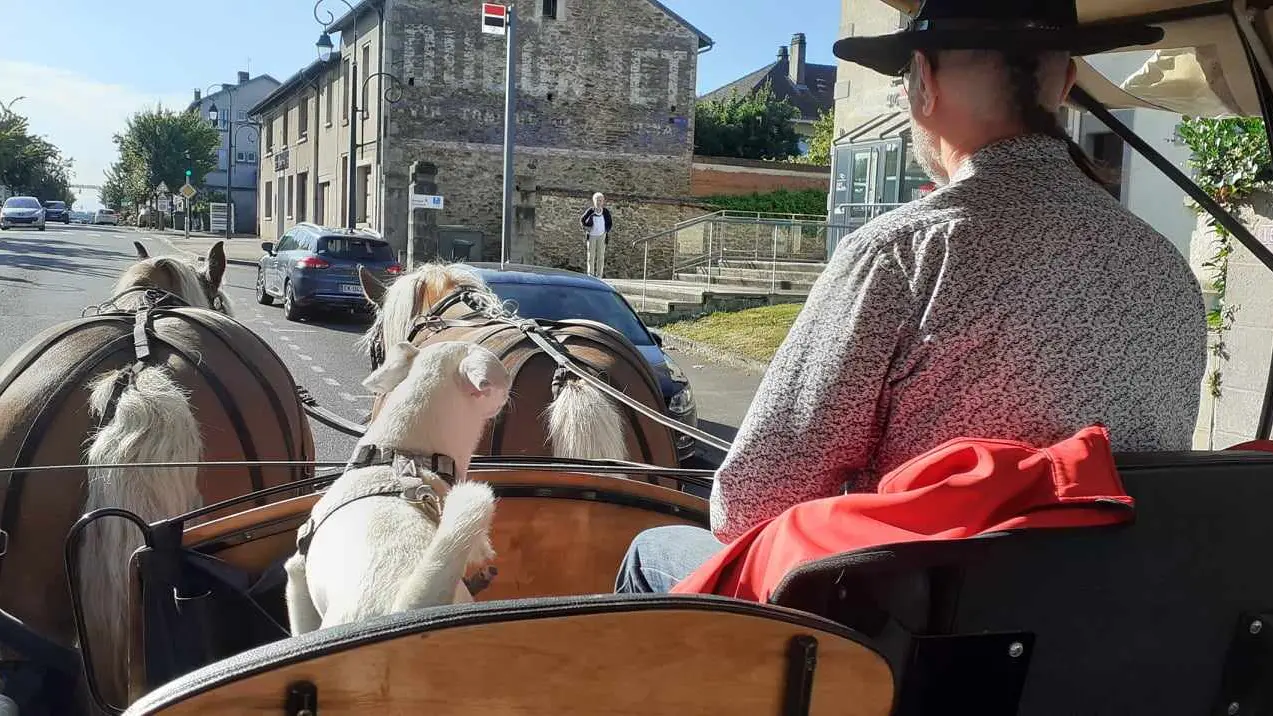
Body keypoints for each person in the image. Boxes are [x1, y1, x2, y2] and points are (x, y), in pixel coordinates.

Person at [616, 0, 1206, 595]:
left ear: (922, 81)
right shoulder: (1166, 267)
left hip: (917, 637)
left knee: (651, 550)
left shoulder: (904, 253)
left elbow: (751, 504)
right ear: (1067, 83)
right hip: (1105, 622)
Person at [579, 193, 612, 278]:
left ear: (603, 202)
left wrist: (605, 231)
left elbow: (609, 223)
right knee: (591, 256)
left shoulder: (605, 211)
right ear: (594, 201)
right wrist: (586, 228)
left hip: (602, 236)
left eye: (600, 200)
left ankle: (599, 275)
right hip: (592, 236)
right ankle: (590, 275)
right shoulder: (590, 210)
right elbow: (582, 220)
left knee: (600, 256)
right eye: (597, 200)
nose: (599, 202)